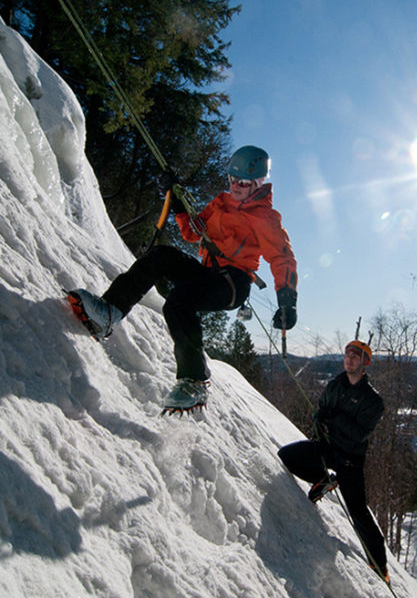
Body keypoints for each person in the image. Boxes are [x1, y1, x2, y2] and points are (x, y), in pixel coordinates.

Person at [67, 145, 297, 412]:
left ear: (258, 183)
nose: (235, 186)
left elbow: (282, 259)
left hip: (233, 283)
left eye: (243, 183)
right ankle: (110, 311)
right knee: (161, 255)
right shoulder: (221, 203)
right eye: (232, 180)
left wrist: (287, 302)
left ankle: (195, 381)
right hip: (208, 273)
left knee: (179, 301)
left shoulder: (266, 218)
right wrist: (176, 200)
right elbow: (191, 232)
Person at [277, 340, 389, 583]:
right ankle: (322, 479)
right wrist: (319, 420)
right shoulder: (334, 385)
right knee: (287, 456)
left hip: (350, 460)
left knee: (358, 512)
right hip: (327, 447)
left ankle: (380, 566)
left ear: (365, 362)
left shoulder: (373, 400)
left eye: (355, 356)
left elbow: (359, 433)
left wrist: (334, 419)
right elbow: (321, 411)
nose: (349, 359)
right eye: (347, 354)